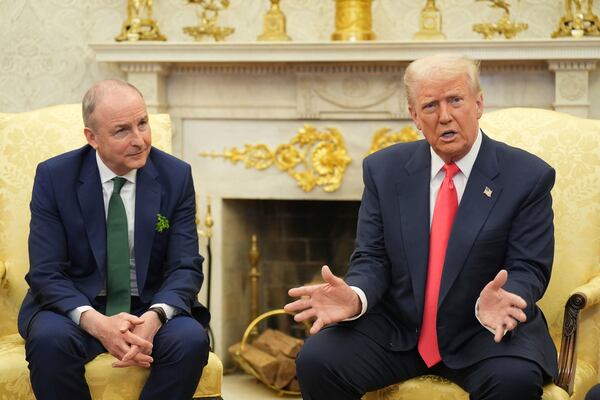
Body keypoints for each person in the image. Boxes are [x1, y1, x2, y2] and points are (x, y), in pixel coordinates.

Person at [285, 54, 557, 400]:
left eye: (455, 100)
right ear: (414, 116)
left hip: (484, 331)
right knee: (317, 359)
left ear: (478, 103)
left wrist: (507, 298)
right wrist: (355, 297)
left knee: (513, 379)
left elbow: (528, 267)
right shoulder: (385, 171)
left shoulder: (527, 177)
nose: (445, 116)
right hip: (401, 330)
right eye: (430, 105)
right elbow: (372, 258)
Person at [18, 79, 210, 400]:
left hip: (148, 306)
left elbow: (185, 267)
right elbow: (46, 272)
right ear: (91, 137)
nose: (139, 140)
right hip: (79, 306)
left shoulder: (175, 175)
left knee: (190, 340)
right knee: (49, 341)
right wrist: (97, 324)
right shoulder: (55, 177)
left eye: (143, 124)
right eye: (122, 130)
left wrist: (155, 317)